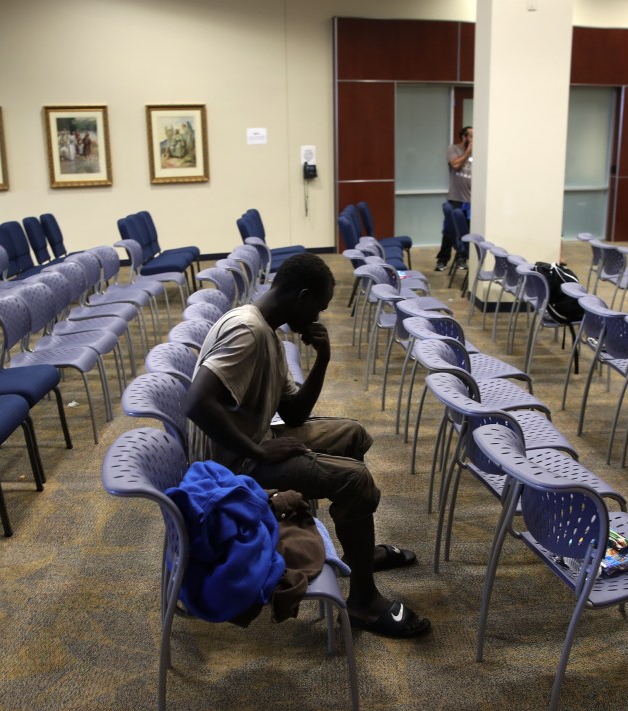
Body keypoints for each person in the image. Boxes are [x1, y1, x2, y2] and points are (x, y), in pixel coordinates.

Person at [184, 253, 432, 639]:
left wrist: (323, 359)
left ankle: (357, 557)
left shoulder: (269, 333)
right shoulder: (247, 331)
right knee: (356, 480)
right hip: (228, 470)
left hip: (250, 445)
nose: (318, 317)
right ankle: (363, 601)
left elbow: (295, 413)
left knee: (352, 434)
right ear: (301, 296)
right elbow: (197, 403)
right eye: (318, 307)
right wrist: (259, 451)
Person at [435, 125, 473, 272]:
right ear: (464, 137)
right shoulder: (453, 149)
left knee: (467, 232)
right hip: (456, 198)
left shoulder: (479, 152)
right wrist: (468, 151)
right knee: (449, 230)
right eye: (471, 135)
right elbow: (455, 165)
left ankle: (461, 259)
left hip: (471, 200)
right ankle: (442, 259)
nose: (474, 139)